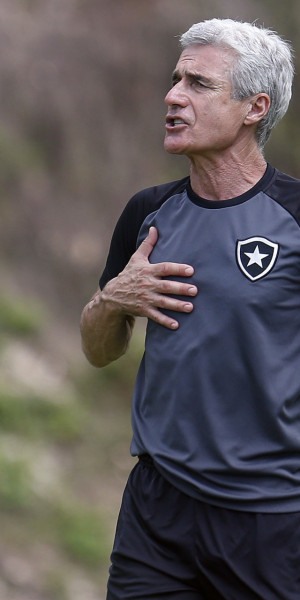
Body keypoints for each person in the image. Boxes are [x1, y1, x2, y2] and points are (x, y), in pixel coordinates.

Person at [80, 18, 300, 600]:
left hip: (272, 523)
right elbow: (100, 352)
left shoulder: (296, 219)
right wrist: (113, 300)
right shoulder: (147, 214)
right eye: (176, 80)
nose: (173, 96)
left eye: (198, 85)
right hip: (158, 512)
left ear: (255, 107)